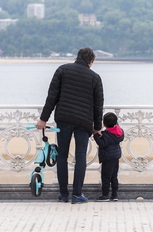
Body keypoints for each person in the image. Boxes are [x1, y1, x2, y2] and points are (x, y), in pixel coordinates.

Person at [36, 47, 104, 204]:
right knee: (81, 156)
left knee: (62, 155)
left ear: (77, 57)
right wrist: (97, 126)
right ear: (91, 61)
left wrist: (43, 119)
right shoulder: (95, 77)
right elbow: (98, 105)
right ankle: (77, 194)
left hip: (64, 118)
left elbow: (52, 96)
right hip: (84, 121)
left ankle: (64, 194)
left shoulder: (62, 70)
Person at [93, 112, 124, 202]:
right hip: (115, 156)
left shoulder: (105, 134)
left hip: (107, 158)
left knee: (106, 177)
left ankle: (105, 195)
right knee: (114, 176)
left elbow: (102, 144)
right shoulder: (119, 132)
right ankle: (114, 195)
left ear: (104, 123)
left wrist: (95, 135)